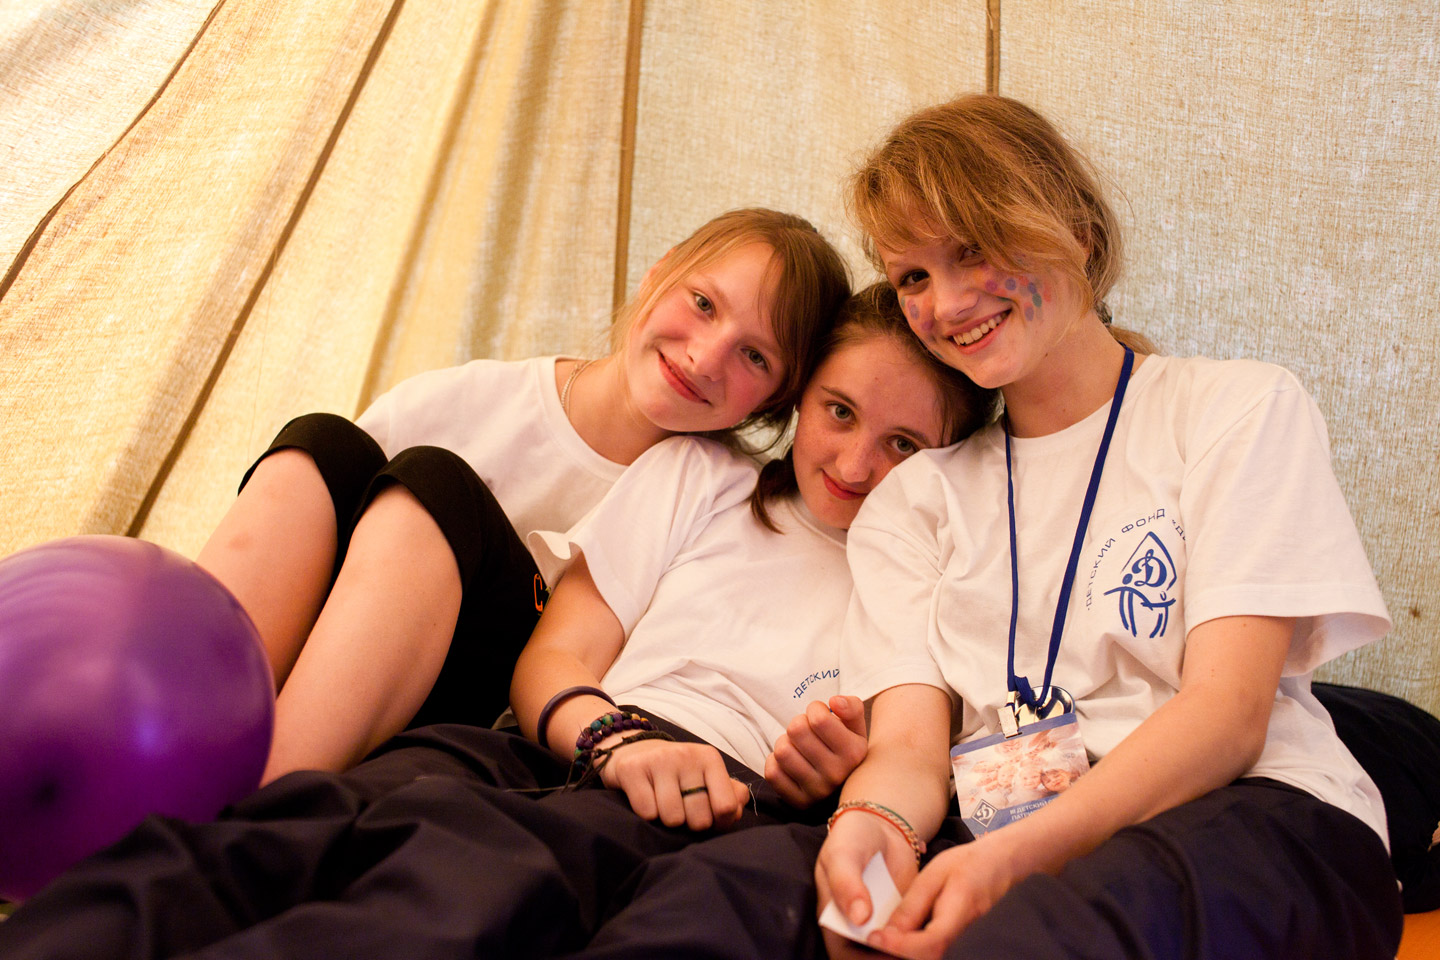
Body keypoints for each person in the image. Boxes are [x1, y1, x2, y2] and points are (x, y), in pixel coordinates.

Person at [0, 282, 996, 960]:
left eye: (905, 445)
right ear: (799, 398)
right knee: (282, 839)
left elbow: (908, 769)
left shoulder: (941, 586)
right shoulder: (703, 479)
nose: (856, 464)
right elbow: (558, 654)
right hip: (567, 741)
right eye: (839, 412)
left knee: (456, 896)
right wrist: (615, 739)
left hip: (738, 811)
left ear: (955, 461)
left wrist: (824, 781)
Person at [813, 94, 1403, 959]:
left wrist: (1013, 860)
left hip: (1255, 810)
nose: (948, 301)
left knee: (1036, 937)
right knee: (772, 900)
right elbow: (907, 748)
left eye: (974, 248)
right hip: (1001, 834)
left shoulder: (1235, 410)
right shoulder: (915, 500)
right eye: (913, 278)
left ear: (1079, 233)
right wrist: (872, 829)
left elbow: (1228, 715)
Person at [194, 207, 850, 783]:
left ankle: (263, 802)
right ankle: (184, 726)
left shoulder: (728, 508)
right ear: (659, 273)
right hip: (321, 670)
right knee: (322, 444)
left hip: (492, 731)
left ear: (777, 403)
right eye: (703, 303)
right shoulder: (467, 402)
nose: (705, 358)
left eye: (755, 357)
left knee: (438, 487)